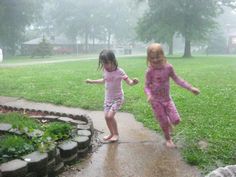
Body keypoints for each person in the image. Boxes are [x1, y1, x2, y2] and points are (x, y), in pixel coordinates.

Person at [144, 43, 200, 148]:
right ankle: (168, 139)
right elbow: (146, 86)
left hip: (167, 99)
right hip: (155, 101)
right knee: (164, 122)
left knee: (176, 120)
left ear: (163, 55)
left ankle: (169, 123)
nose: (155, 60)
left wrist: (191, 88)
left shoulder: (168, 68)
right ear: (148, 58)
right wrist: (149, 95)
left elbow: (177, 79)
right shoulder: (149, 71)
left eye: (158, 57)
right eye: (152, 58)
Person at [86, 49, 139, 142]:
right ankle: (111, 133)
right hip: (108, 98)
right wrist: (92, 81)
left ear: (113, 60)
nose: (104, 65)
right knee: (106, 117)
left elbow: (129, 82)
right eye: (103, 63)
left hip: (118, 98)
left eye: (106, 63)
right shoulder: (105, 70)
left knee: (110, 116)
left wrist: (134, 82)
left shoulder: (120, 71)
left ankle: (116, 134)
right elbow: (103, 81)